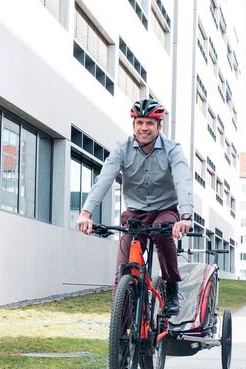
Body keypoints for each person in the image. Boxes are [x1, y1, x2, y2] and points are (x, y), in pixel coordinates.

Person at [76, 99, 194, 316]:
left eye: (150, 123)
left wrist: (185, 216)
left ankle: (171, 287)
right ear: (133, 126)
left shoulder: (173, 150)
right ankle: (121, 330)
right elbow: (104, 179)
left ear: (159, 126)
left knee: (163, 232)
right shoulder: (122, 149)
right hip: (135, 214)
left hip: (165, 209)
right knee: (123, 269)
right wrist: (86, 213)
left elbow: (183, 180)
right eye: (139, 122)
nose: (144, 128)